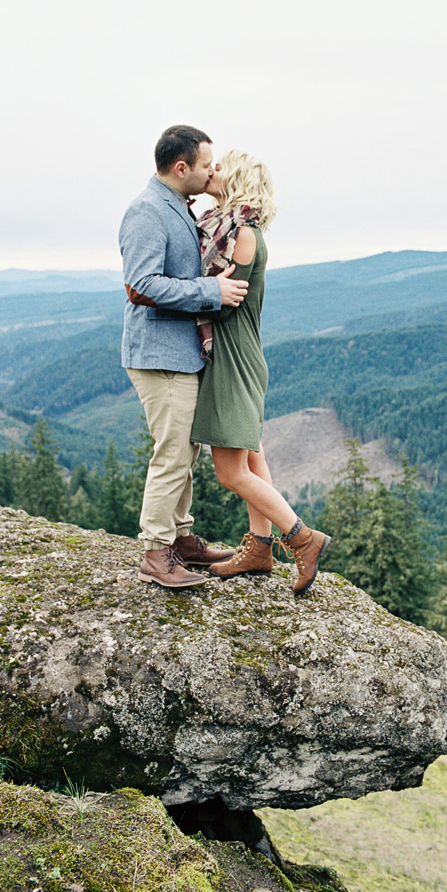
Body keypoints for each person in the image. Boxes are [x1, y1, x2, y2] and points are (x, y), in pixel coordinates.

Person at [189, 149, 331, 594]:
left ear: (236, 181)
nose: (212, 172)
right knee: (253, 455)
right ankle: (260, 548)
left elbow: (219, 295)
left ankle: (301, 538)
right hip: (239, 354)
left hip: (233, 357)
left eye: (219, 169)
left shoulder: (243, 234)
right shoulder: (232, 228)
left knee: (231, 472)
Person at [121, 124, 249, 588]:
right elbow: (141, 285)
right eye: (207, 165)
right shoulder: (147, 211)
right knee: (173, 451)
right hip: (158, 353)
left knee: (185, 448)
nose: (212, 171)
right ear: (182, 168)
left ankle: (181, 537)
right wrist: (210, 289)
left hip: (178, 353)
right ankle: (157, 553)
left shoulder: (176, 206)